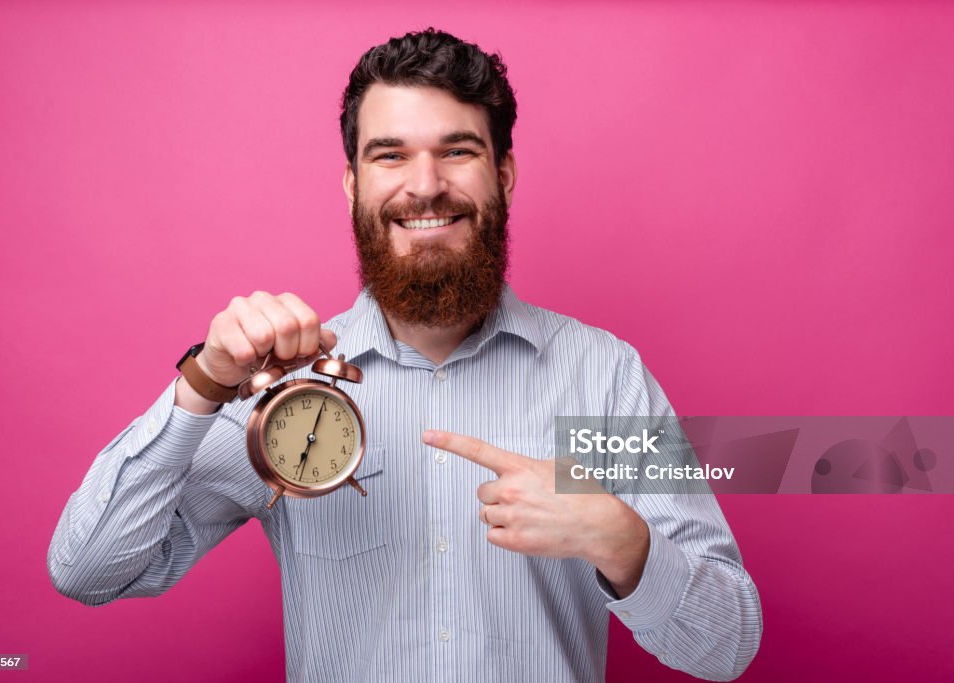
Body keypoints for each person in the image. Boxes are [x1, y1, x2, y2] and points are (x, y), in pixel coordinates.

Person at [49, 29, 762, 682]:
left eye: (458, 150)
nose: (424, 185)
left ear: (504, 174)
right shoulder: (281, 390)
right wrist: (203, 381)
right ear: (353, 184)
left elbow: (728, 645)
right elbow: (87, 570)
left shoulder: (604, 379)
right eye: (389, 154)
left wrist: (626, 543)